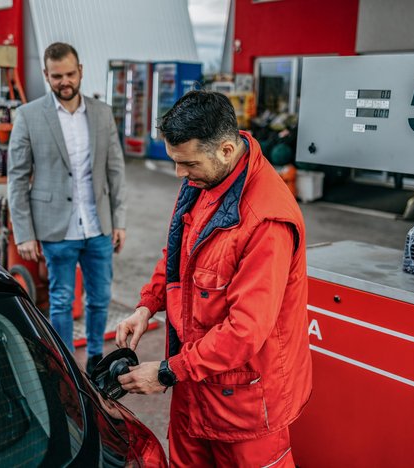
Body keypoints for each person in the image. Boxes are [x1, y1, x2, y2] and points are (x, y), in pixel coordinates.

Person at [115, 90, 312, 467]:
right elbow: (179, 256)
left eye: (187, 163)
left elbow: (244, 331)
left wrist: (167, 371)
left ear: (224, 149)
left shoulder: (266, 221)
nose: (179, 174)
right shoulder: (203, 182)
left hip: (246, 407)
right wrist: (147, 305)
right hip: (195, 385)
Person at [8, 42, 126, 374]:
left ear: (81, 71)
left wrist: (120, 220)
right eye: (57, 76)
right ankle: (64, 365)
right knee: (60, 299)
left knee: (100, 297)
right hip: (55, 227)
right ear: (46, 75)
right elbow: (16, 178)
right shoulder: (28, 116)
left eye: (70, 74)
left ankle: (94, 358)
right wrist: (24, 233)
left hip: (98, 224)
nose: (65, 81)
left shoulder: (102, 114)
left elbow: (115, 169)